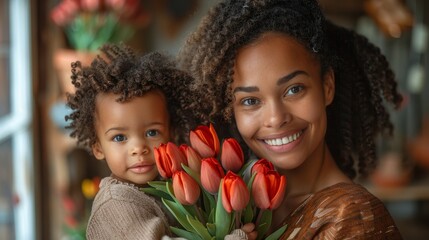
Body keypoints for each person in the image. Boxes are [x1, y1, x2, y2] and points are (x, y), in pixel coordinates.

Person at [178, 0, 403, 239]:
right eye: (250, 101)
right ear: (229, 110)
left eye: (294, 89)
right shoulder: (234, 208)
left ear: (327, 86)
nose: (276, 118)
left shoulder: (352, 218)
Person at [65, 44, 254, 240]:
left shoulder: (167, 185)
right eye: (120, 137)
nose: (138, 148)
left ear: (170, 133)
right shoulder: (115, 204)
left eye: (152, 132)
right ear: (97, 147)